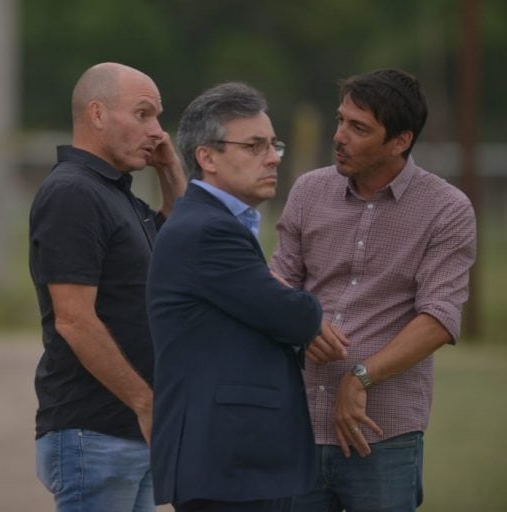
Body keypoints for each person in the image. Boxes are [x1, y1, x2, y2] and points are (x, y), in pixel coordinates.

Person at [271, 69, 477, 511]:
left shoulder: (447, 210)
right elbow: (277, 282)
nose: (340, 136)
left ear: (400, 141)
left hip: (382, 436)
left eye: (359, 128)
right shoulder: (308, 190)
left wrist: (361, 376)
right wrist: (302, 322)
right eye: (341, 120)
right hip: (296, 425)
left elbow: (439, 318)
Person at [146, 82, 323, 512]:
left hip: (232, 460)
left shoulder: (215, 223)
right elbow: (297, 318)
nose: (274, 157)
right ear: (207, 157)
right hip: (228, 462)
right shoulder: (210, 230)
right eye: (255, 145)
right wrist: (299, 298)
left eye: (274, 144)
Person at [28, 62, 187, 512]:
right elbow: (74, 320)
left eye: (158, 116)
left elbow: (180, 245)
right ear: (97, 114)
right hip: (94, 432)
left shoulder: (116, 194)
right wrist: (145, 402)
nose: (157, 131)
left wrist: (170, 170)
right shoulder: (73, 194)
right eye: (143, 115)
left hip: (131, 428)